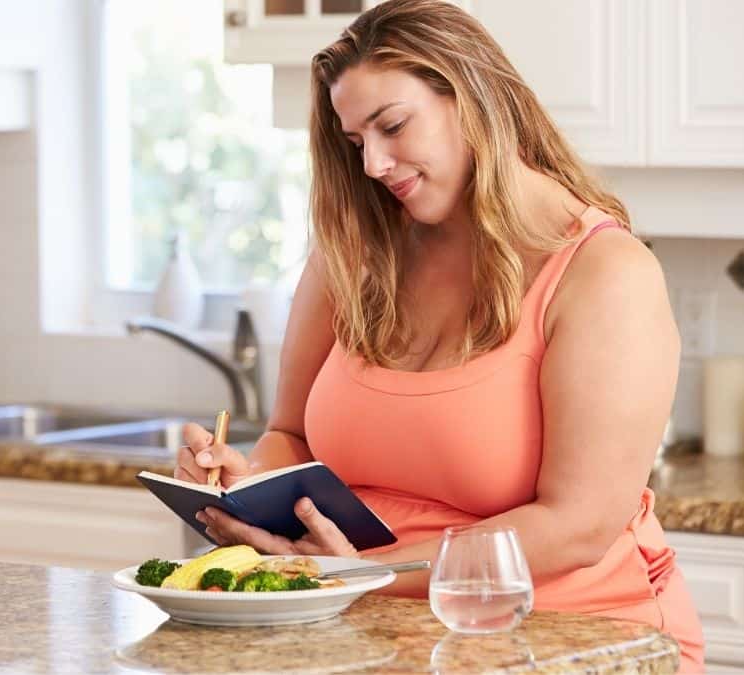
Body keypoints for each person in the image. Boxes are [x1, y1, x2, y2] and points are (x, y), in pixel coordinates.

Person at [174, 0, 703, 670]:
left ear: (474, 96)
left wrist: (367, 572)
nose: (372, 164)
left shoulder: (603, 273)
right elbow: (292, 435)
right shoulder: (354, 255)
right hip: (368, 631)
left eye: (392, 126)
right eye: (356, 141)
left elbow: (580, 524)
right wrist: (243, 483)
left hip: (573, 640)